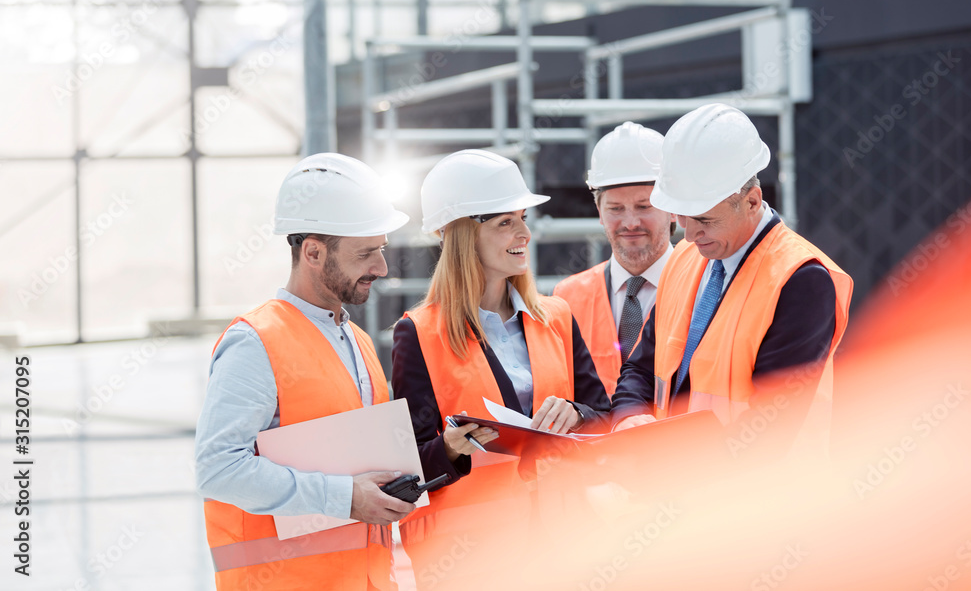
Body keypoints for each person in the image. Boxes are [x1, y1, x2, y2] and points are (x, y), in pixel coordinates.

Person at [391, 149, 611, 588]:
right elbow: (407, 467)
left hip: (567, 549)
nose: (524, 233)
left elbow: (604, 418)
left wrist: (577, 414)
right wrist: (450, 448)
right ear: (462, 235)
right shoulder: (418, 333)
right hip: (474, 563)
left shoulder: (556, 317)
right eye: (505, 222)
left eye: (523, 219)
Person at [195, 153, 415, 591]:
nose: (382, 268)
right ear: (313, 252)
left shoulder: (357, 341)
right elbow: (217, 469)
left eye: (382, 249)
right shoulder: (255, 342)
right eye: (366, 253)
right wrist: (344, 498)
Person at [612, 103, 853, 432]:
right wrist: (628, 418)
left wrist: (664, 455)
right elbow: (641, 368)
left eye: (705, 220)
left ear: (751, 201)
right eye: (680, 216)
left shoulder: (801, 280)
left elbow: (769, 427)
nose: (689, 234)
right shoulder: (684, 258)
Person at [553, 121, 676, 396]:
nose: (630, 222)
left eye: (644, 206)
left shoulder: (704, 285)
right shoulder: (567, 298)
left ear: (672, 209)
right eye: (616, 209)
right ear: (599, 211)